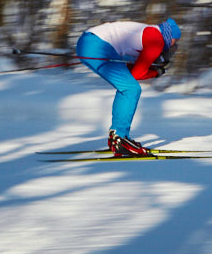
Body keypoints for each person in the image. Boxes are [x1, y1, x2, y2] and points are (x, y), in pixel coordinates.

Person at [76, 18, 181, 156]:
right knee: (131, 89)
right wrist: (156, 72)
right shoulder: (157, 39)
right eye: (175, 41)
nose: (173, 46)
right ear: (170, 36)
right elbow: (137, 73)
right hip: (98, 45)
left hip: (88, 42)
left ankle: (117, 137)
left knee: (127, 87)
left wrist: (154, 69)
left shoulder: (150, 33)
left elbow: (132, 73)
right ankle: (120, 137)